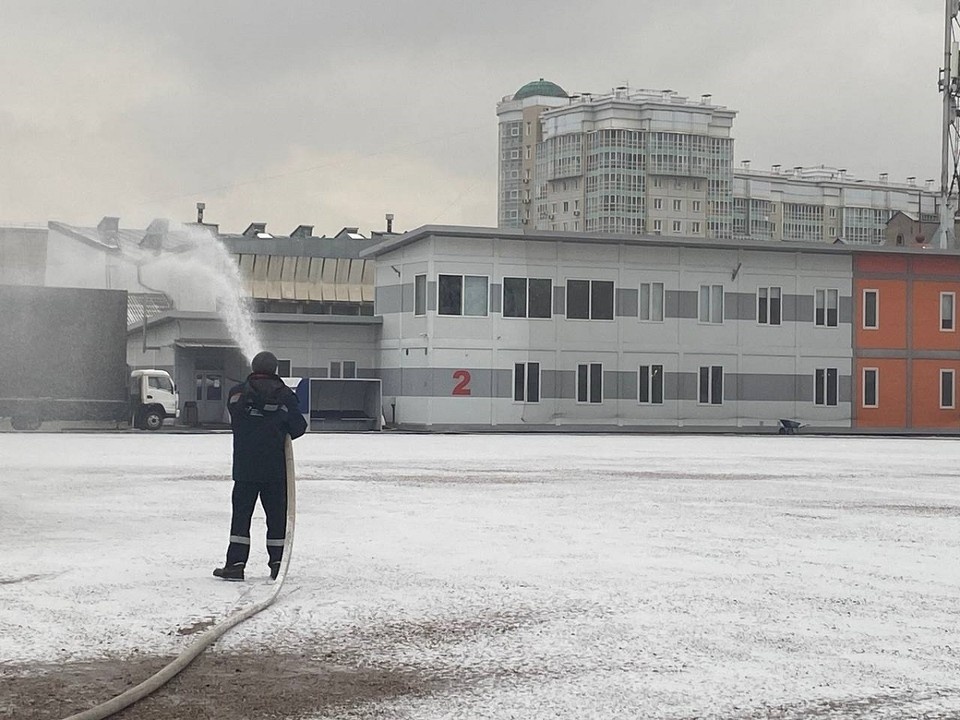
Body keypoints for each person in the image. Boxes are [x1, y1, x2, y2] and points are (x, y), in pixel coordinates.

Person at [213, 351, 307, 581]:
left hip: (245, 468)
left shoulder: (237, 393)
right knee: (276, 517)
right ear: (275, 369)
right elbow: (299, 427)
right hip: (275, 469)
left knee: (241, 516)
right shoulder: (285, 395)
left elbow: (235, 415)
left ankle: (235, 565)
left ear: (253, 367)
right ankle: (277, 563)